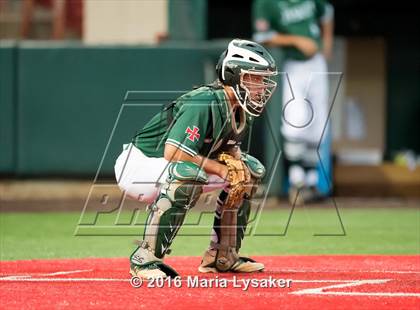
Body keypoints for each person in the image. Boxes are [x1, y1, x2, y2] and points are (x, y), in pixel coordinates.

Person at [114, 39, 278, 279]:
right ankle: (144, 259)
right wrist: (222, 171)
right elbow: (174, 153)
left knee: (248, 172)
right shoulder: (204, 101)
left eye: (263, 79)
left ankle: (222, 256)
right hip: (139, 164)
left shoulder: (241, 108)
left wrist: (235, 167)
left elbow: (228, 150)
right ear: (234, 75)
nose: (261, 86)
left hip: (168, 166)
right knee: (189, 176)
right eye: (254, 78)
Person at [252, 0, 334, 205]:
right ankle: (298, 181)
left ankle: (312, 182)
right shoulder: (266, 4)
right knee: (296, 121)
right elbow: (261, 36)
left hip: (316, 63)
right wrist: (296, 40)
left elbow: (327, 13)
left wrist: (327, 44)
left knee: (318, 125)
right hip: (291, 64)